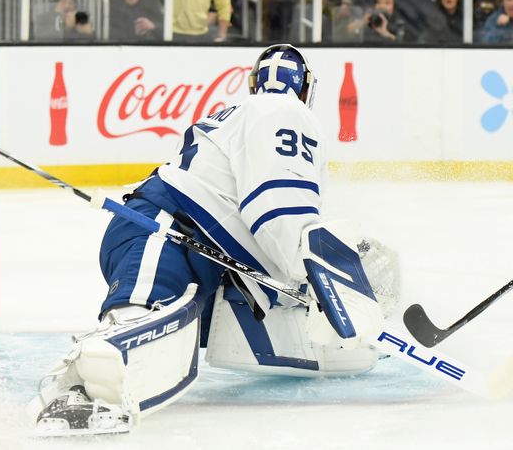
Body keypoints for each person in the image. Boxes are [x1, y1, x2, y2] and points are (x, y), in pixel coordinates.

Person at [26, 44, 398, 436]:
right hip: (164, 230)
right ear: (306, 88)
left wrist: (307, 290)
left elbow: (259, 220)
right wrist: (319, 278)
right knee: (141, 318)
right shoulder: (286, 112)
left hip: (195, 244)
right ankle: (78, 391)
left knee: (188, 319)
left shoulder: (240, 113)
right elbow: (278, 207)